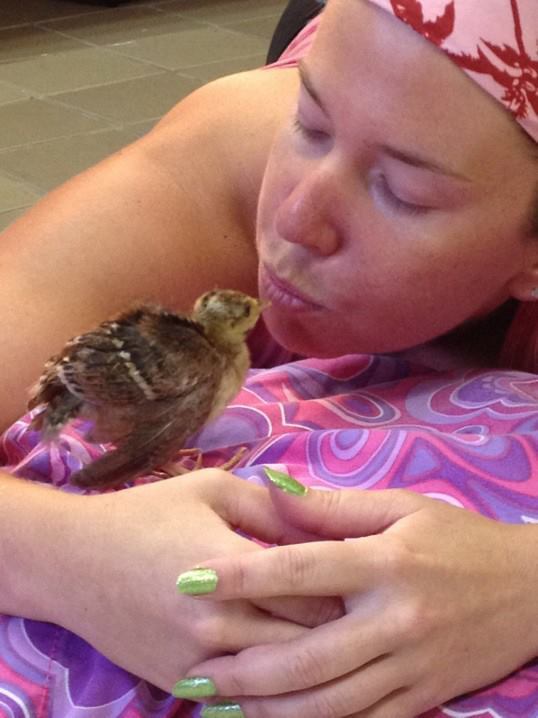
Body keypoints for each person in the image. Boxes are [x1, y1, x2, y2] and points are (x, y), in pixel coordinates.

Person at [0, 0, 537, 716]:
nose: (293, 220)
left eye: (401, 192)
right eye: (310, 126)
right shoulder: (231, 162)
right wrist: (65, 556)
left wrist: (522, 581)